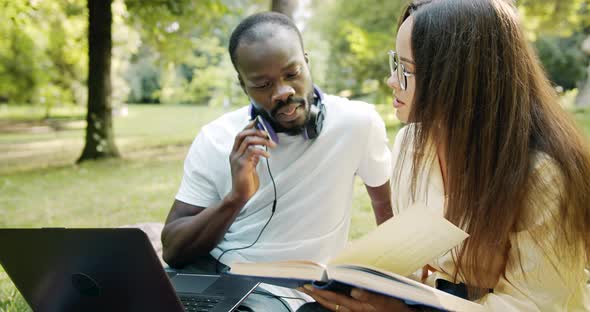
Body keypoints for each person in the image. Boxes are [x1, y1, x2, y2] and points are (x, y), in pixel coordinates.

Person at [299, 0, 590, 311]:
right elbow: (412, 261)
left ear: (459, 78)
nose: (392, 81)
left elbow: (533, 305)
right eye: (395, 63)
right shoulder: (411, 144)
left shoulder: (543, 174)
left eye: (405, 69)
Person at [160, 12, 393, 311]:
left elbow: (384, 208)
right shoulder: (215, 139)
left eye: (292, 74)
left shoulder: (358, 123)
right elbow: (173, 250)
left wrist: (392, 288)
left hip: (297, 291)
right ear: (243, 86)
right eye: (263, 84)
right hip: (217, 275)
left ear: (307, 62)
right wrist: (236, 197)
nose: (283, 92)